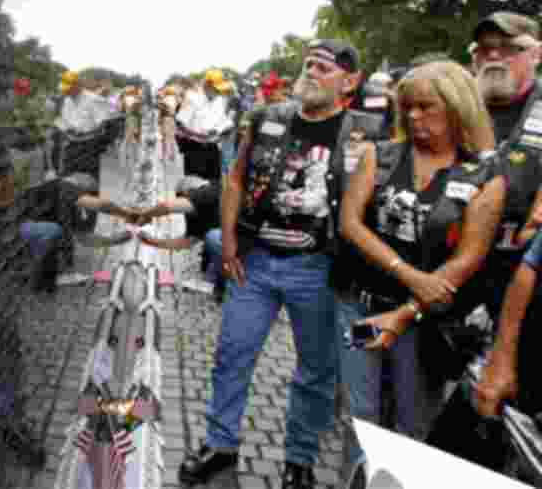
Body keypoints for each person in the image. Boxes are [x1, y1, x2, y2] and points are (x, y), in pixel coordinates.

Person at [179, 40, 382, 489]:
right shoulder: (266, 118)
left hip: (318, 270)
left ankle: (299, 461)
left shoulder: (362, 134)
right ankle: (220, 444)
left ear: (349, 82)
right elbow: (235, 179)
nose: (310, 72)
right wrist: (229, 240)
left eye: (324, 68)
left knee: (316, 370)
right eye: (308, 64)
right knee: (232, 354)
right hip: (256, 263)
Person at [334, 61, 504, 483]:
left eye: (426, 107)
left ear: (457, 107)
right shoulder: (382, 154)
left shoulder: (484, 175)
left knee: (414, 427)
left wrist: (407, 310)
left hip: (423, 323)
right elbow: (351, 224)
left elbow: (468, 259)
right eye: (407, 107)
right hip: (360, 309)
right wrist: (410, 275)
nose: (413, 117)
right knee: (361, 415)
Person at [424, 12, 542, 472]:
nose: (493, 56)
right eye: (483, 49)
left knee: (492, 413)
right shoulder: (445, 108)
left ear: (535, 53)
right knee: (421, 391)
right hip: (440, 281)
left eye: (507, 47)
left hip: (518, 287)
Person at [175, 70, 234, 181]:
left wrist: (221, 132)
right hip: (195, 150)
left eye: (219, 90)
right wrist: (198, 135)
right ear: (207, 85)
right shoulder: (193, 99)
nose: (218, 92)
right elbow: (180, 124)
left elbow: (225, 122)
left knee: (214, 186)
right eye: (216, 89)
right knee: (195, 186)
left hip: (213, 149)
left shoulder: (219, 101)